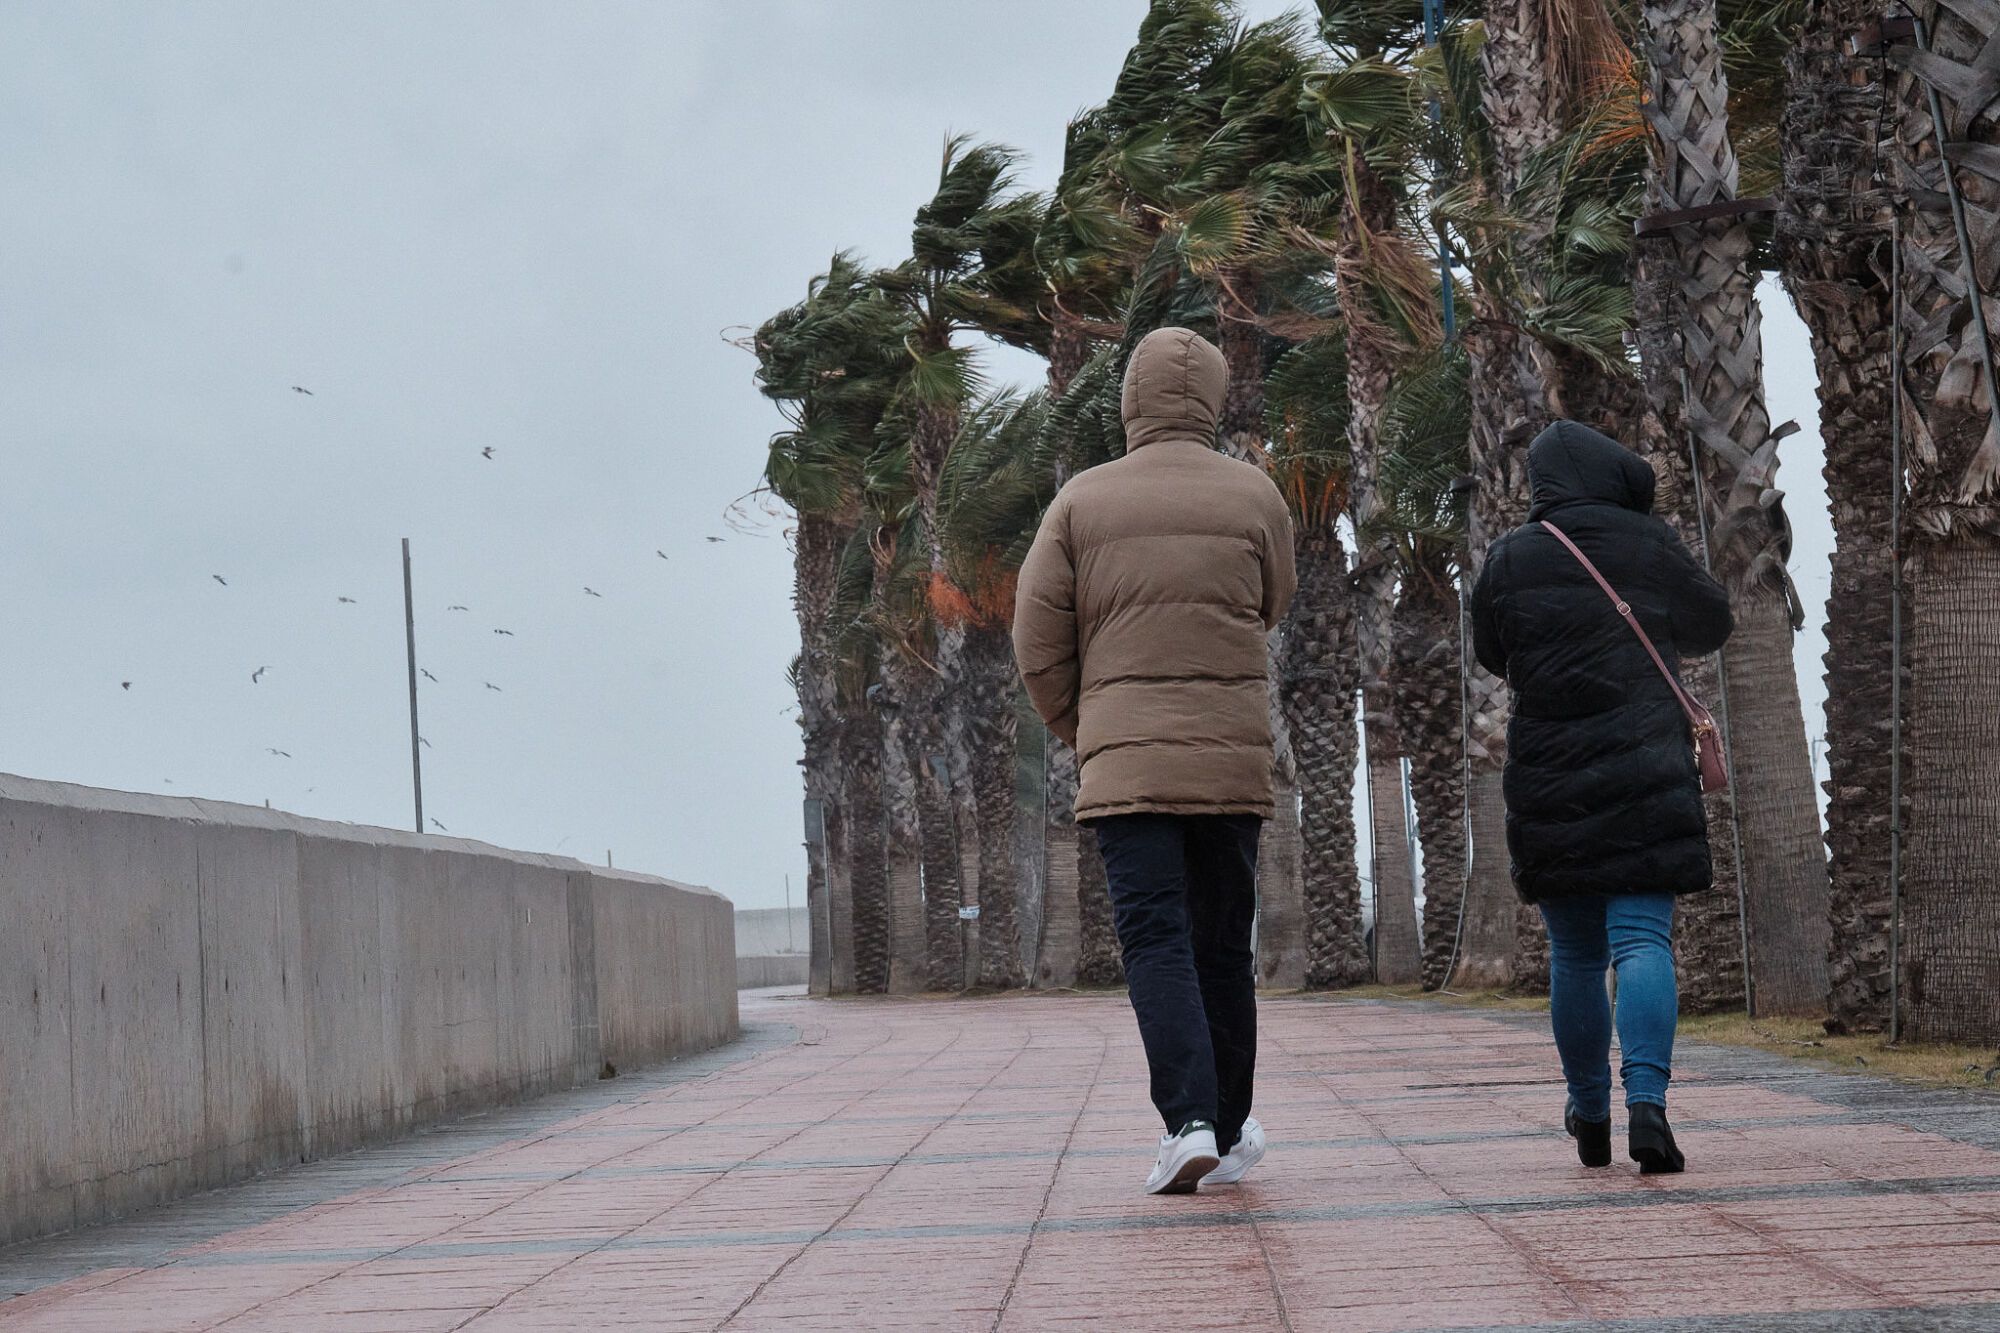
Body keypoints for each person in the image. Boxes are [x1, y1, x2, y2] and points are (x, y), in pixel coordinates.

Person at [1013, 326, 1296, 1195]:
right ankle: (1228, 1126)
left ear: (1130, 399)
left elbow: (1036, 641)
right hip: (1229, 765)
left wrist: (1089, 727)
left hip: (1127, 771)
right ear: (1212, 397)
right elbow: (1273, 602)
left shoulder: (1080, 502)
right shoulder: (1255, 495)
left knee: (1156, 939)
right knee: (1224, 945)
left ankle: (1189, 1121)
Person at [1471, 420, 1733, 1174]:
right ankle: (1647, 1107)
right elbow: (1711, 621)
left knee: (1577, 953)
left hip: (1551, 777)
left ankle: (1589, 1113)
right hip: (1645, 770)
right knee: (1643, 939)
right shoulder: (1647, 543)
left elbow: (1492, 650)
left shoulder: (1511, 556)